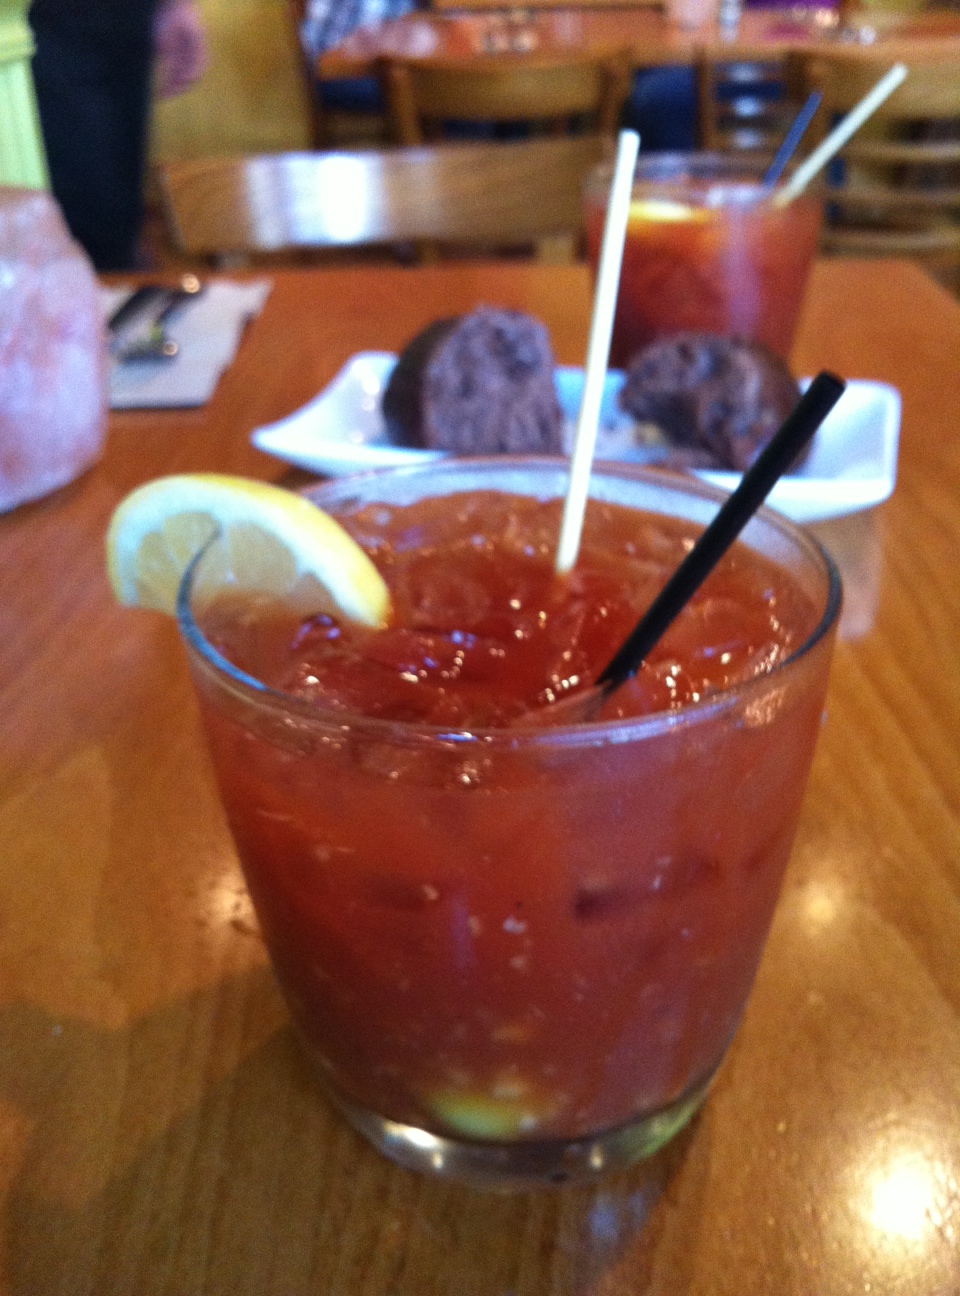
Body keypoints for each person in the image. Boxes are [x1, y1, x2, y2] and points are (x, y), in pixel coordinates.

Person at [29, 0, 208, 271]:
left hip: (125, 17)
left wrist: (173, 6)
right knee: (85, 212)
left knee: (113, 214)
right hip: (42, 22)